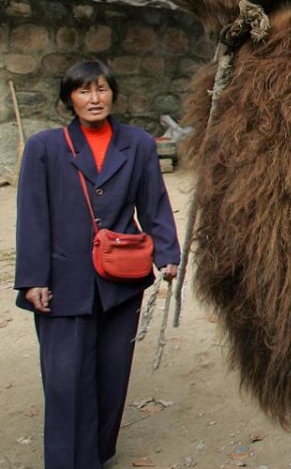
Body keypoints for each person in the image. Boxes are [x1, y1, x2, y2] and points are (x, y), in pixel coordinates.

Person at [14, 59, 181, 469]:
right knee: (66, 380)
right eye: (85, 91)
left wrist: (167, 253)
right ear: (69, 99)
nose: (95, 99)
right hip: (62, 281)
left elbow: (154, 203)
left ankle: (98, 452)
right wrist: (33, 278)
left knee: (111, 375)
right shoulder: (45, 148)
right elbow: (32, 216)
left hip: (121, 280)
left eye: (102, 89)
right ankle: (69, 460)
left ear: (113, 94)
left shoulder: (139, 143)